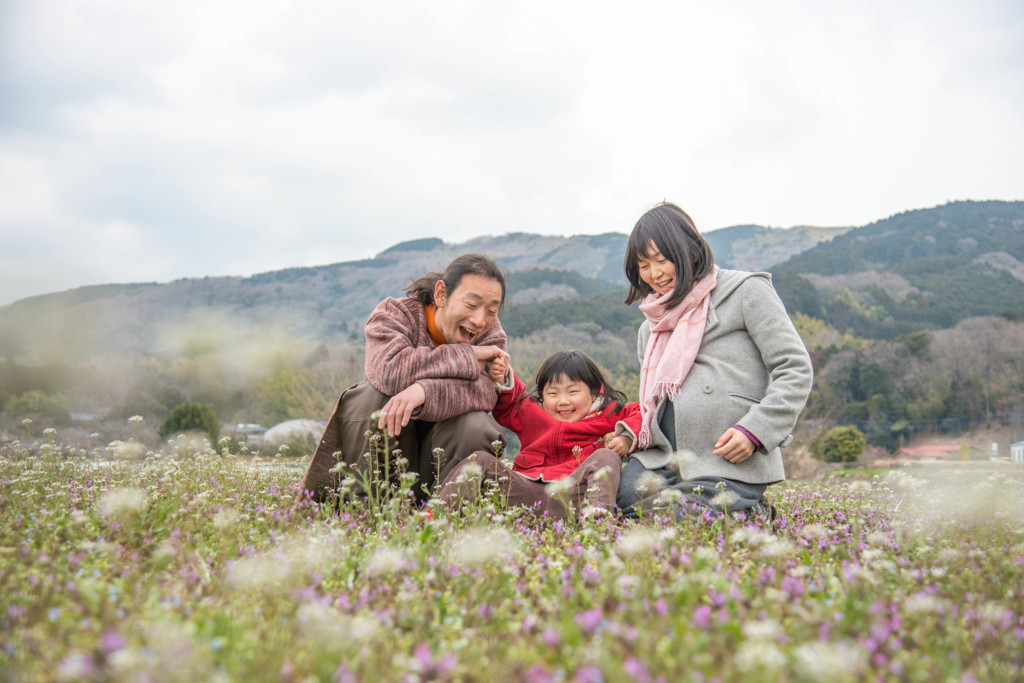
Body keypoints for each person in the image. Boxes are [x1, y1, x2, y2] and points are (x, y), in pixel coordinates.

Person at [616, 203, 813, 519]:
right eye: (643, 265)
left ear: (688, 250)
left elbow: (794, 367)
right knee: (615, 498)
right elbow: (650, 403)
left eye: (662, 260)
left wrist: (756, 431)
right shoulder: (648, 328)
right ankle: (718, 513)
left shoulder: (745, 291)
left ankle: (752, 512)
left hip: (727, 456)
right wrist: (627, 433)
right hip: (665, 457)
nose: (654, 274)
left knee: (669, 516)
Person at [300, 254, 511, 504]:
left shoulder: (490, 333)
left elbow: (485, 393)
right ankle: (365, 508)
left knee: (477, 424)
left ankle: (445, 512)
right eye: (471, 305)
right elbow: (389, 371)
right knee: (367, 396)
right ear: (441, 294)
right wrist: (470, 356)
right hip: (390, 448)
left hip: (446, 452)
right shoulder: (395, 314)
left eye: (491, 311)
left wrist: (423, 391)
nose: (480, 320)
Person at [438, 350, 641, 521]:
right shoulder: (533, 412)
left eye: (573, 392)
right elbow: (512, 401)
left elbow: (641, 411)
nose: (562, 401)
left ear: (595, 393)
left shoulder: (608, 413)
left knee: (607, 455)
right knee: (480, 460)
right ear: (542, 395)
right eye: (553, 394)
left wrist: (626, 437)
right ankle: (436, 518)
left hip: (573, 495)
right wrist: (503, 375)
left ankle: (598, 519)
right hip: (525, 491)